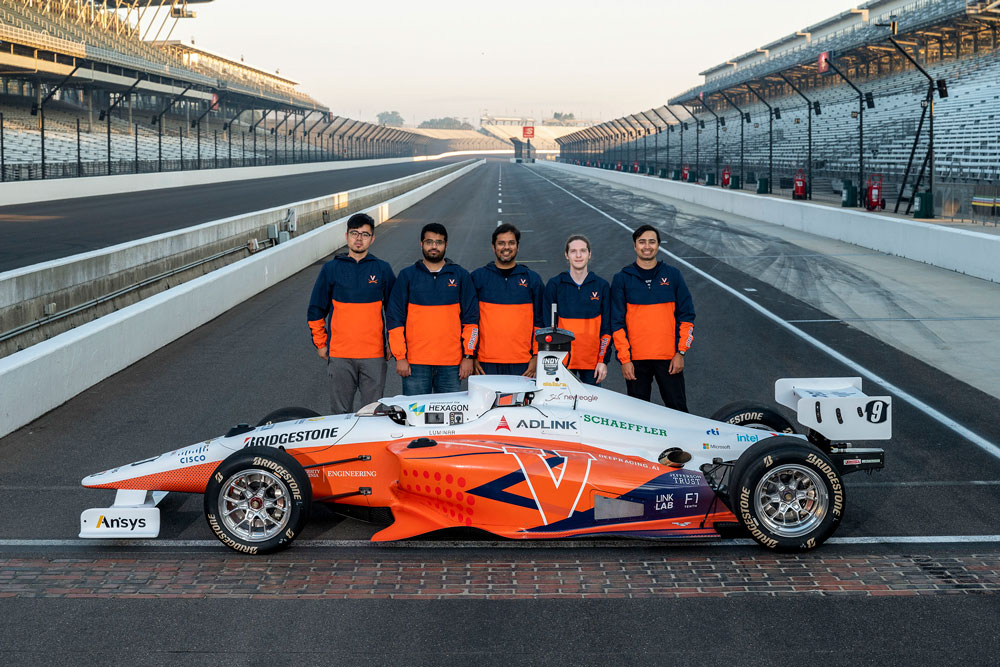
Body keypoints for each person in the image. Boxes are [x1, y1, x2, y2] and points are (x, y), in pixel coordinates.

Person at [307, 212, 395, 414]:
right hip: (340, 355)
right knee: (340, 414)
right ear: (346, 236)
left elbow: (394, 311)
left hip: (374, 355)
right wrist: (321, 344)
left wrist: (393, 343)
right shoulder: (331, 268)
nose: (359, 238)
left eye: (365, 234)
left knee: (373, 413)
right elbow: (316, 309)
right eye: (355, 233)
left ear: (372, 239)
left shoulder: (382, 269)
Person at [611, 224, 695, 411]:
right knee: (639, 416)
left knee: (678, 411)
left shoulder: (673, 275)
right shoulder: (622, 278)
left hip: (669, 359)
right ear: (635, 246)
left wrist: (680, 353)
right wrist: (625, 360)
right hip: (636, 361)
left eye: (651, 242)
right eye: (642, 242)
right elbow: (616, 323)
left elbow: (687, 316)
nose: (647, 246)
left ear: (658, 245)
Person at [387, 223, 478, 395]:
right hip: (415, 364)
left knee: (450, 419)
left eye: (439, 242)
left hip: (451, 364)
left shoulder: (460, 276)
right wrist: (400, 357)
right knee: (416, 419)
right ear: (421, 244)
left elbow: (471, 320)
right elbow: (395, 319)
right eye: (429, 242)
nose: (434, 246)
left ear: (446, 245)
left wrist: (468, 357)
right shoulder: (407, 276)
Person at [471, 223, 544, 377]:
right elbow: (471, 321)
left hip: (522, 362)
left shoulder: (532, 279)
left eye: (511, 243)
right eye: (501, 243)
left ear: (517, 246)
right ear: (493, 247)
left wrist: (537, 356)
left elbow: (540, 322)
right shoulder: (478, 277)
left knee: (522, 403)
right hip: (486, 362)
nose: (506, 247)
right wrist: (471, 355)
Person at [542, 234, 611, 385]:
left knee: (591, 407)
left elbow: (606, 328)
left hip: (592, 364)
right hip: (563, 364)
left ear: (589, 254)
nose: (578, 255)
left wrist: (603, 361)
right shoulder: (554, 285)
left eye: (583, 251)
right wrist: (551, 362)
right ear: (567, 255)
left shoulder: (602, 286)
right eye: (573, 251)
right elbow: (547, 328)